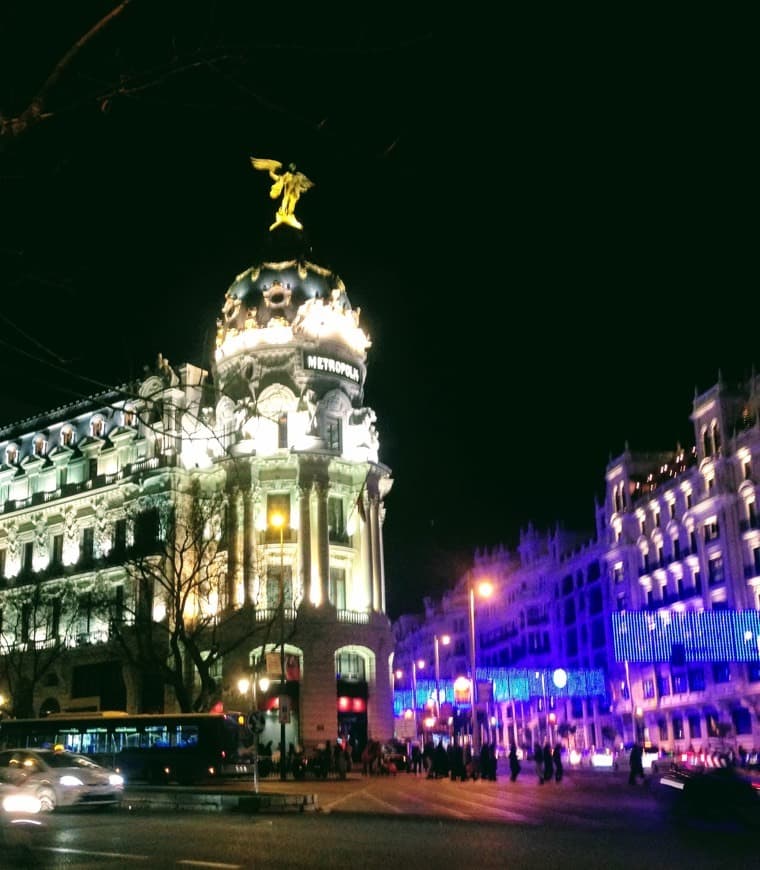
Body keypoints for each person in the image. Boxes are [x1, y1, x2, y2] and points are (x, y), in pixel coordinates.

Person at [251, 157, 314, 230]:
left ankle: (288, 216)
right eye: (291, 167)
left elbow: (301, 185)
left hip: (295, 195)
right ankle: (283, 214)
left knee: (291, 204)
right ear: (289, 168)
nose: (292, 168)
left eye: (294, 167)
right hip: (287, 193)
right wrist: (271, 173)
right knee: (286, 200)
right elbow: (279, 179)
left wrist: (303, 189)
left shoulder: (298, 176)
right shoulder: (287, 175)